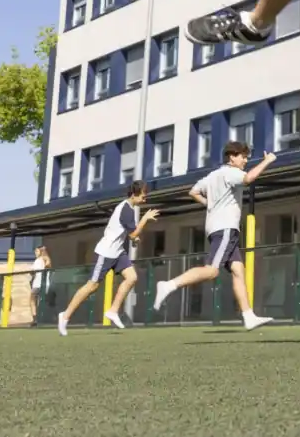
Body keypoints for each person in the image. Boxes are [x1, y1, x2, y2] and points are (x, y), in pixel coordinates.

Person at [152, 141, 276, 331]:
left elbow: (193, 192)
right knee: (212, 271)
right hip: (225, 228)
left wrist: (210, 205)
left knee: (238, 270)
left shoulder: (212, 176)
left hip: (218, 228)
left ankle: (248, 316)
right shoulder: (231, 172)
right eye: (243, 156)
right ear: (232, 157)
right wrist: (267, 161)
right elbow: (249, 178)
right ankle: (168, 285)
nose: (245, 160)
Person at [57, 180, 159, 336]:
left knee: (131, 277)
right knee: (92, 286)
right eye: (143, 197)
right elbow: (132, 233)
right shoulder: (126, 209)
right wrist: (145, 219)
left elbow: (128, 233)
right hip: (106, 253)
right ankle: (64, 316)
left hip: (118, 252)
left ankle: (113, 311)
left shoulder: (128, 209)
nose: (145, 200)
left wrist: (134, 238)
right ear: (134, 195)